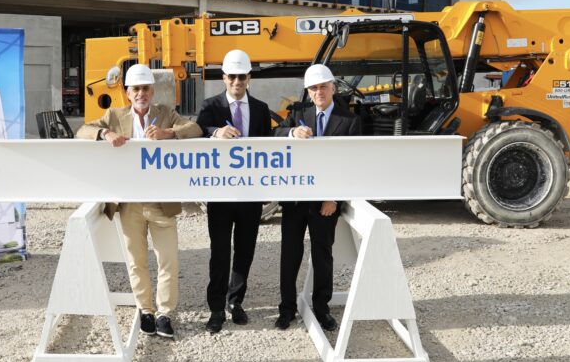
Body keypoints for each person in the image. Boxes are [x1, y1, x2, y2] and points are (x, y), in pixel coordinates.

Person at [76, 64, 202, 339]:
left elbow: (194, 129)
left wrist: (168, 133)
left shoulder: (165, 114)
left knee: (168, 260)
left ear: (152, 91)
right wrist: (105, 134)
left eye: (145, 88)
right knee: (136, 260)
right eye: (136, 89)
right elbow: (82, 130)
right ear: (127, 92)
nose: (141, 93)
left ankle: (165, 313)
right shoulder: (115, 116)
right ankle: (146, 310)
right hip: (129, 203)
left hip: (161, 202)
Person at [274, 63, 362, 332]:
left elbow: (351, 164)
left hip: (325, 202)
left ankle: (322, 309)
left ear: (333, 88)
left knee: (323, 255)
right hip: (296, 200)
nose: (318, 91)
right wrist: (291, 132)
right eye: (313, 88)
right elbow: (273, 134)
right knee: (290, 254)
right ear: (308, 92)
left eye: (323, 86)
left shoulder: (349, 122)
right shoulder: (299, 114)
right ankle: (287, 309)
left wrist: (333, 198)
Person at [195, 49, 272, 334]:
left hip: (251, 193)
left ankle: (235, 302)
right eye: (232, 77)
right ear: (224, 77)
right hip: (221, 193)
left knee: (245, 250)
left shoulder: (262, 109)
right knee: (219, 252)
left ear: (249, 78)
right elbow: (195, 130)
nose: (237, 82)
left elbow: (269, 148)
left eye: (242, 77)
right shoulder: (210, 105)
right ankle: (216, 308)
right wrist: (216, 132)